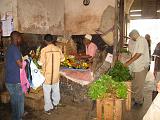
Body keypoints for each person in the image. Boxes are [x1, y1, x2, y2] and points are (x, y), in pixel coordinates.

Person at [39, 34, 64, 115]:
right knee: (56, 90)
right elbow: (63, 59)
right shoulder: (58, 49)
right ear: (52, 40)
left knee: (47, 92)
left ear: (45, 41)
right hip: (56, 75)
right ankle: (56, 103)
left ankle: (48, 108)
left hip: (47, 75)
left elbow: (40, 62)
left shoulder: (44, 50)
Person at [125, 30, 150, 107]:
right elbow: (133, 52)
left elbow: (138, 54)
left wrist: (128, 62)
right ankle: (137, 97)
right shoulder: (138, 41)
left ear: (134, 35)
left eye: (131, 37)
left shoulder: (141, 40)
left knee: (139, 85)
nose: (131, 38)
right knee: (135, 84)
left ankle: (139, 102)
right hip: (137, 67)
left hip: (141, 67)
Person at [5, 31, 24, 120]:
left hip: (9, 80)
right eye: (20, 38)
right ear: (17, 38)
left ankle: (15, 117)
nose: (21, 39)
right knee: (19, 101)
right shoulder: (15, 49)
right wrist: (28, 62)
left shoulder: (9, 48)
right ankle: (18, 117)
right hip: (16, 81)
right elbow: (20, 64)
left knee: (14, 101)